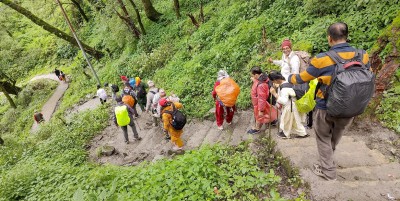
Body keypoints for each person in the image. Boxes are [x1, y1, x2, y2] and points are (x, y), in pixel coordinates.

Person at [287, 22, 370, 181]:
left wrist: (288, 77)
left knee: (323, 137)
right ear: (346, 36)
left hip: (326, 107)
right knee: (336, 134)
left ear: (329, 38)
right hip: (352, 106)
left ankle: (328, 172)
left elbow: (301, 78)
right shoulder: (363, 55)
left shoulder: (322, 59)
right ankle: (328, 159)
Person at [268, 71, 308, 139]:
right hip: (294, 104)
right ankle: (302, 133)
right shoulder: (287, 81)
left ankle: (285, 134)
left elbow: (284, 101)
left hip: (289, 106)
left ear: (275, 80)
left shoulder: (284, 89)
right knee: (296, 120)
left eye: (273, 81)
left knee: (286, 120)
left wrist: (274, 93)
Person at [247, 67, 278, 134]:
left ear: (256, 75)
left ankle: (257, 128)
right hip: (268, 99)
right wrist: (255, 80)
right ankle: (272, 120)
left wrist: (261, 110)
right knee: (268, 111)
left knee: (259, 115)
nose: (252, 76)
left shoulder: (261, 85)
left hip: (260, 102)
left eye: (252, 75)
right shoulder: (264, 77)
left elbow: (261, 99)